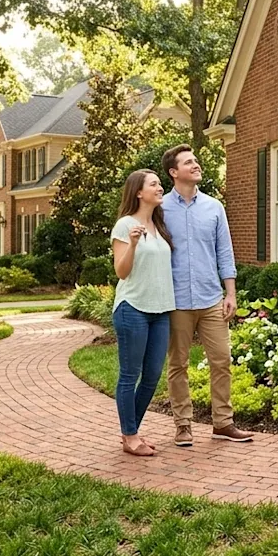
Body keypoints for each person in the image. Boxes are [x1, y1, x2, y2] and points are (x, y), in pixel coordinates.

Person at [161, 144, 254, 446]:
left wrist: (231, 293)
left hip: (211, 298)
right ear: (174, 172)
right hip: (176, 301)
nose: (196, 165)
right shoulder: (160, 208)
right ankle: (183, 425)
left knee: (222, 360)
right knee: (178, 364)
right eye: (188, 162)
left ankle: (223, 423)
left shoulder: (214, 207)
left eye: (196, 161)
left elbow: (224, 252)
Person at [110, 169, 176, 457]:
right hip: (133, 308)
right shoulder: (125, 225)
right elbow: (121, 271)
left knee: (151, 376)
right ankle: (130, 435)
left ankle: (131, 430)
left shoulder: (159, 226)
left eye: (160, 184)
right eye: (154, 184)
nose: (160, 188)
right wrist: (134, 244)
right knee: (130, 374)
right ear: (138, 192)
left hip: (160, 311)